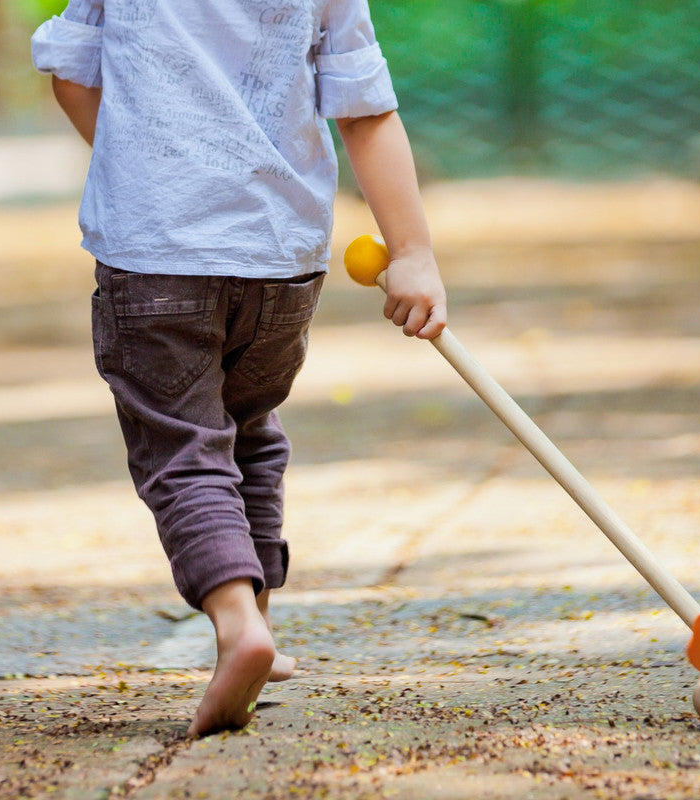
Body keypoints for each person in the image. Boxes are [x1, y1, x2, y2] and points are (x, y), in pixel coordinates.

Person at [31, 0, 447, 738]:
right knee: (247, 428)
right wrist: (411, 251)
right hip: (279, 262)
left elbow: (71, 75)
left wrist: (143, 173)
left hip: (156, 255)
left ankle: (236, 624)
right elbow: (365, 113)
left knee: (183, 449)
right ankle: (260, 618)